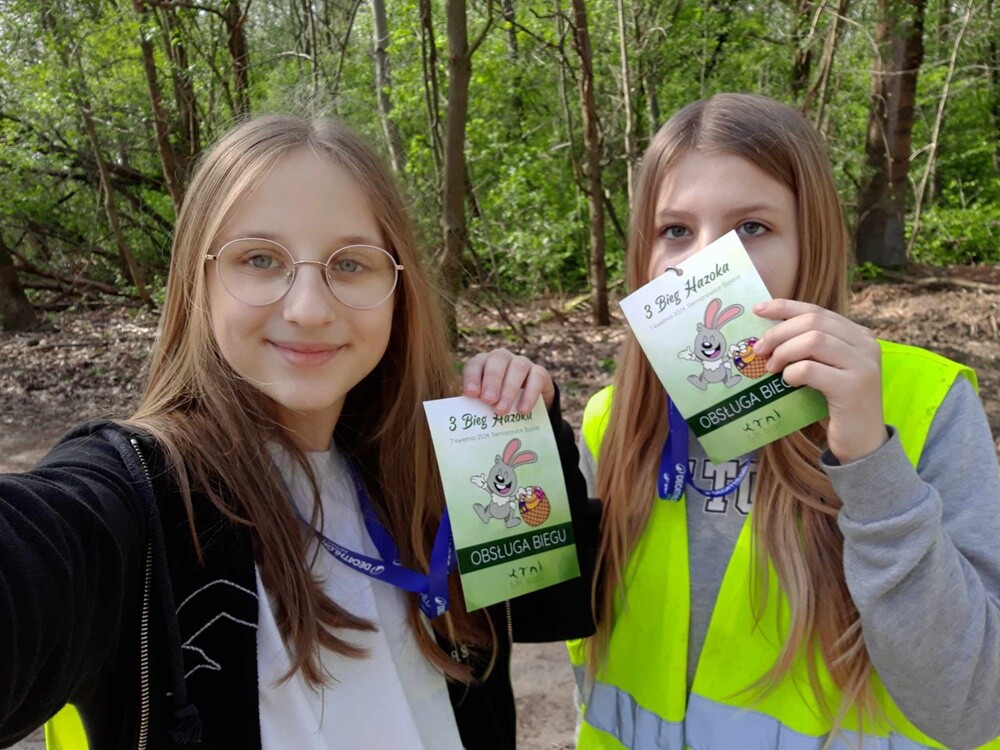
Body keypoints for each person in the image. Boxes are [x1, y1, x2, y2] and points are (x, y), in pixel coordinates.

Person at [0, 115, 600, 750]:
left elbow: (552, 601)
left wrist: (526, 428)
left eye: (350, 264)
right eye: (260, 259)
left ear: (398, 288)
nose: (309, 309)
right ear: (199, 280)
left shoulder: (429, 465)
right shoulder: (142, 502)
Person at [567, 93, 1000, 749]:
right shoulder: (614, 420)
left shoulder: (921, 404)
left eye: (751, 227)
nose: (708, 263)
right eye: (676, 231)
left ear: (810, 243)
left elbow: (972, 707)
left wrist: (871, 465)